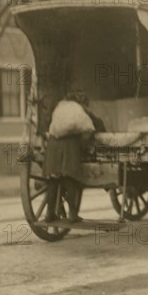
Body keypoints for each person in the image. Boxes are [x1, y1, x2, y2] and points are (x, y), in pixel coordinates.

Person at [44, 90, 99, 223]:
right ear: (81, 102)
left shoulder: (60, 106)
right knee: (70, 179)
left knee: (53, 180)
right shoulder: (78, 110)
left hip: (52, 145)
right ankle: (73, 214)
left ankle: (49, 213)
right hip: (69, 145)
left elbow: (49, 125)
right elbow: (89, 128)